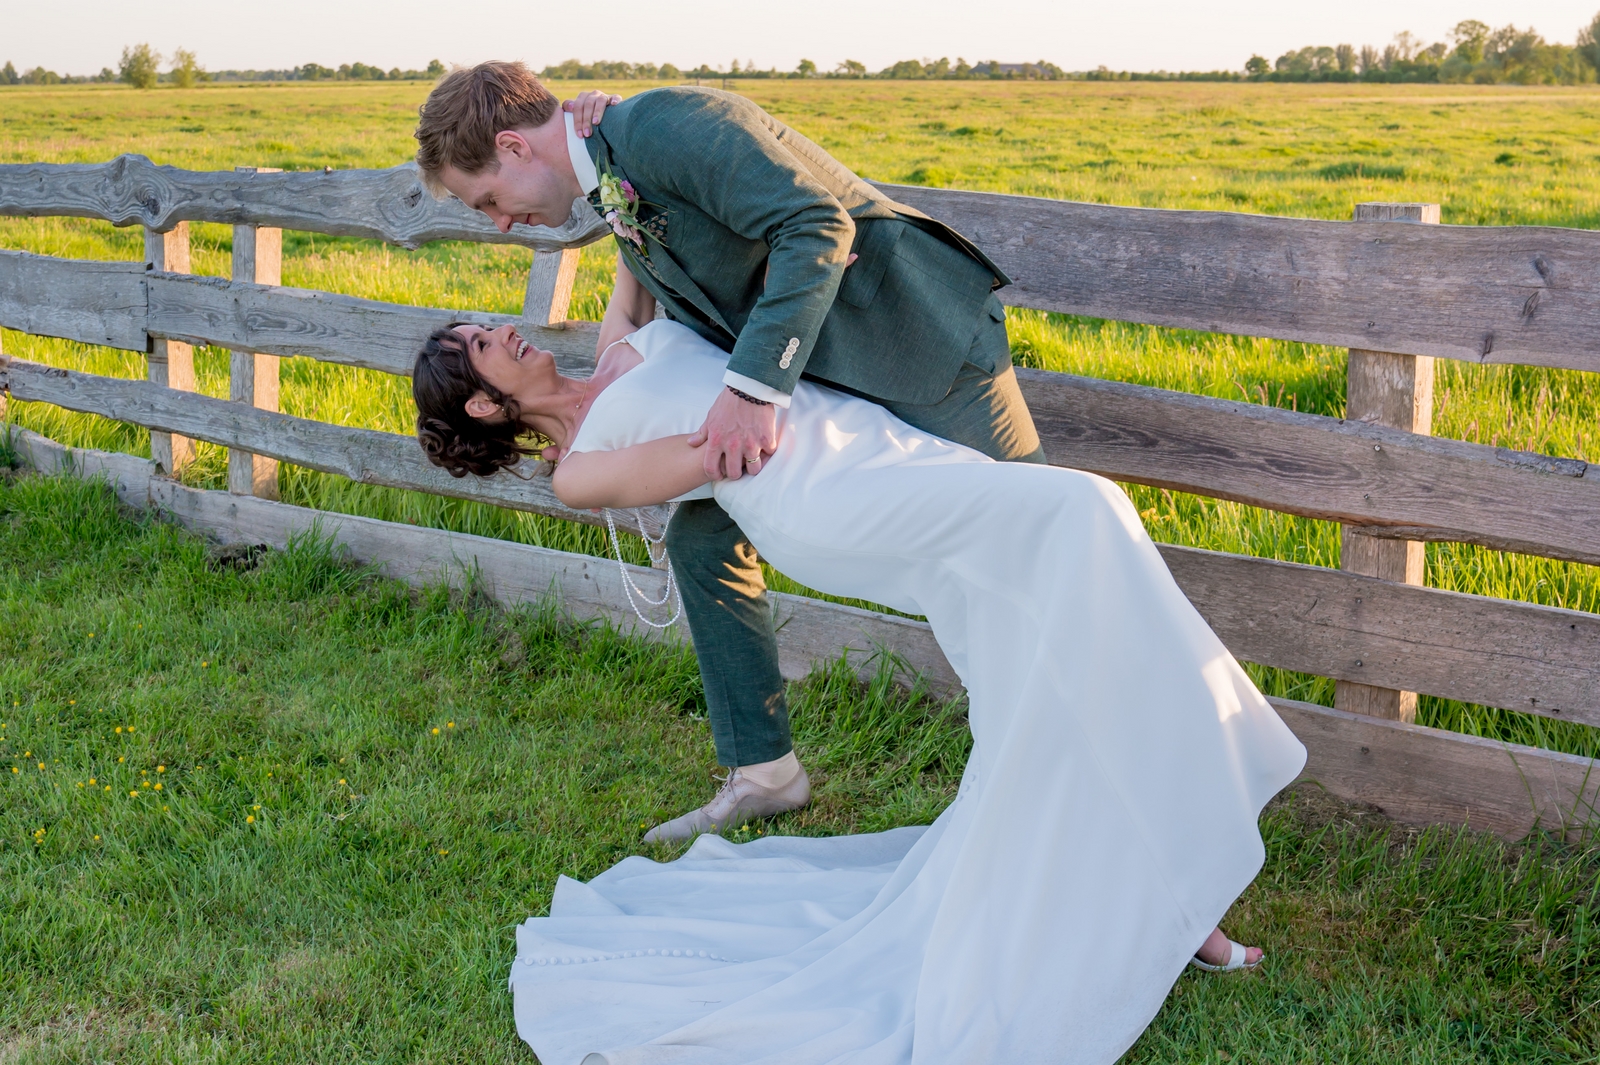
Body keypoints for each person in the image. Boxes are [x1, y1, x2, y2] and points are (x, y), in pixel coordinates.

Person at [409, 304, 1308, 1063]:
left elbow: (632, 248)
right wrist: (755, 396)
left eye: (491, 323)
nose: (508, 331)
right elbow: (720, 453)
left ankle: (1164, 886)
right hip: (818, 492)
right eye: (485, 344)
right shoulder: (577, 472)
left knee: (1044, 649)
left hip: (877, 444)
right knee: (1086, 508)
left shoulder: (617, 348)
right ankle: (1190, 837)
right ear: (487, 403)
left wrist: (612, 164)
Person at [413, 62, 1042, 842]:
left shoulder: (662, 127)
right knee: (702, 537)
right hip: (828, 373)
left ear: (512, 147)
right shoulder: (613, 172)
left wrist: (749, 393)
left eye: (489, 201)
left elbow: (817, 225)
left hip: (918, 344)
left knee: (1032, 555)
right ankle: (765, 771)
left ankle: (1070, 785)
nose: (501, 222)